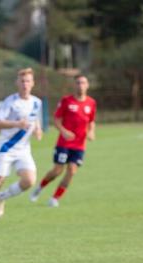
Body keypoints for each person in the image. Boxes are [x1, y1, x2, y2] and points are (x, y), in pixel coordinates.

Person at [0, 68, 43, 220]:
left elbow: (34, 117)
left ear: (33, 83)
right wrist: (17, 123)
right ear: (17, 83)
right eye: (22, 81)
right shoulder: (10, 102)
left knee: (29, 180)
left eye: (28, 81)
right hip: (7, 148)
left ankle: (2, 197)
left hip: (24, 149)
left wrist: (37, 129)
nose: (25, 84)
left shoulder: (37, 102)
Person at [30, 75, 96, 207]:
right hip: (64, 143)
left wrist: (91, 132)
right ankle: (40, 187)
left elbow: (91, 121)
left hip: (79, 145)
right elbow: (56, 120)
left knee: (71, 171)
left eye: (83, 83)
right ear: (75, 85)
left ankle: (55, 198)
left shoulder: (91, 103)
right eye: (78, 83)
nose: (81, 85)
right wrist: (64, 131)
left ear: (87, 85)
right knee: (57, 171)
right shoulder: (67, 101)